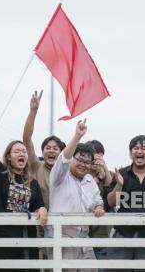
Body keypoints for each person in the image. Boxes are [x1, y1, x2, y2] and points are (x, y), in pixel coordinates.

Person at [0, 111, 47, 263]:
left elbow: (39, 205)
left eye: (24, 151)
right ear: (9, 156)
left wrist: (42, 209)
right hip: (1, 240)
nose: (22, 153)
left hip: (26, 240)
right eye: (17, 151)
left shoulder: (32, 182)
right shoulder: (1, 174)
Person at [47, 119, 105, 272]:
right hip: (62, 235)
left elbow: (97, 201)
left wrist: (99, 207)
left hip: (84, 237)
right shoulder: (60, 175)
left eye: (87, 162)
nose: (83, 164)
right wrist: (77, 136)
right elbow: (64, 158)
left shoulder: (90, 180)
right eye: (79, 159)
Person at [106, 135, 145, 271]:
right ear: (130, 152)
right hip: (123, 233)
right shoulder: (121, 174)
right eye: (135, 148)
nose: (139, 151)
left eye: (143, 148)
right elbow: (111, 202)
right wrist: (119, 185)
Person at [23, 90, 66, 210]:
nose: (51, 151)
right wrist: (33, 111)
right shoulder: (37, 166)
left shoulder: (67, 171)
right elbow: (26, 139)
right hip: (39, 224)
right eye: (47, 148)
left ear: (61, 153)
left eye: (55, 148)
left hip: (62, 224)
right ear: (42, 152)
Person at [85, 139, 113, 262]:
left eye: (100, 154)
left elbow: (111, 197)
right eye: (93, 153)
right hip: (82, 230)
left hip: (101, 232)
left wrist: (105, 169)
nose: (96, 158)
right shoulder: (80, 175)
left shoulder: (108, 175)